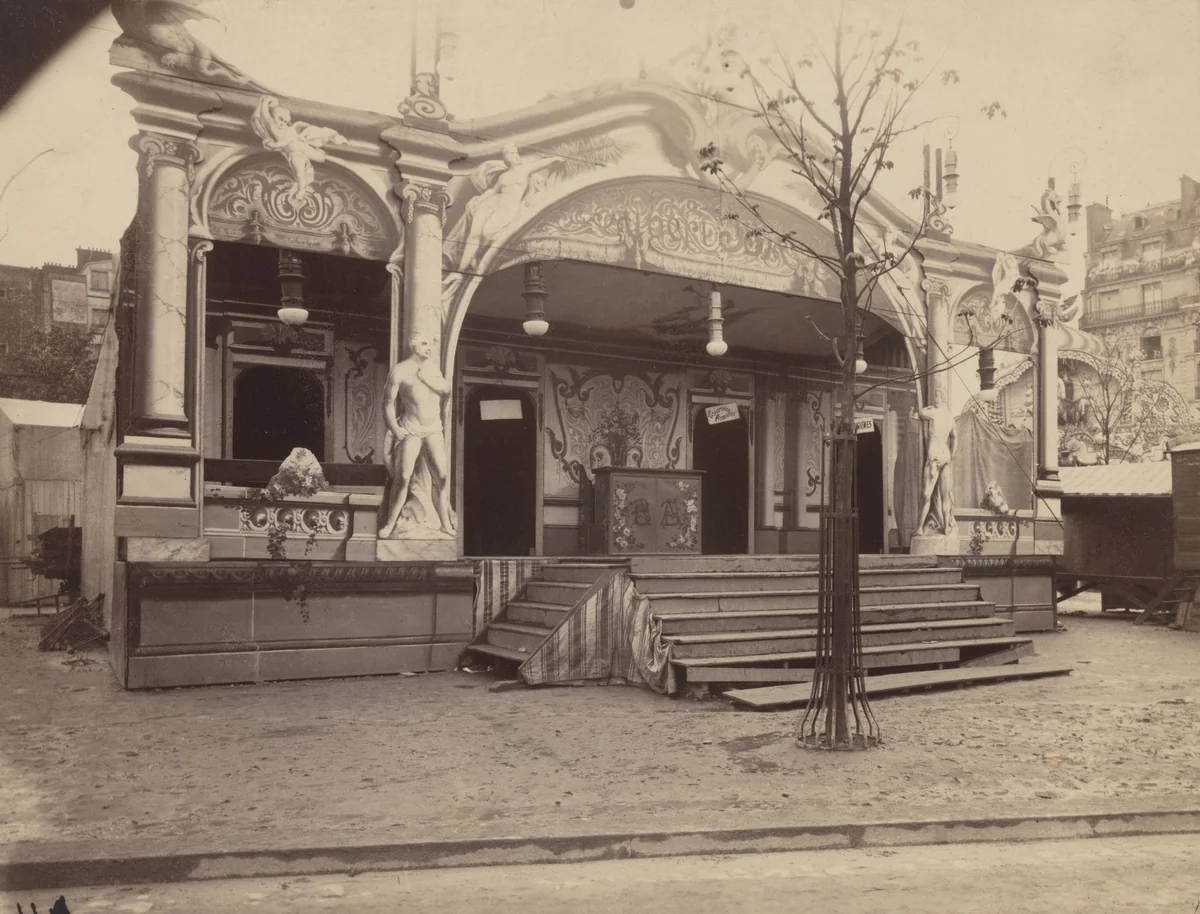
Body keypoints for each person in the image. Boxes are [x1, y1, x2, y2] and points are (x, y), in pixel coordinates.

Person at [379, 334, 456, 539]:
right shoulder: (400, 371)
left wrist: (429, 380)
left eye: (430, 344)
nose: (429, 348)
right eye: (424, 344)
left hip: (433, 429)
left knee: (442, 476)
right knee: (403, 477)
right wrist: (396, 429)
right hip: (411, 428)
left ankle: (445, 524)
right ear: (414, 347)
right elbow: (387, 404)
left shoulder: (433, 369)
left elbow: (447, 390)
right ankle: (390, 524)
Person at [915, 388, 957, 536]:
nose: (935, 398)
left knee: (927, 493)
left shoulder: (933, 412)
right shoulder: (950, 417)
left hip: (934, 455)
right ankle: (944, 527)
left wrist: (929, 407)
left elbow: (921, 412)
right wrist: (951, 455)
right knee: (943, 496)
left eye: (937, 396)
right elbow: (954, 438)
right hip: (944, 455)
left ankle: (920, 528)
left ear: (943, 398)